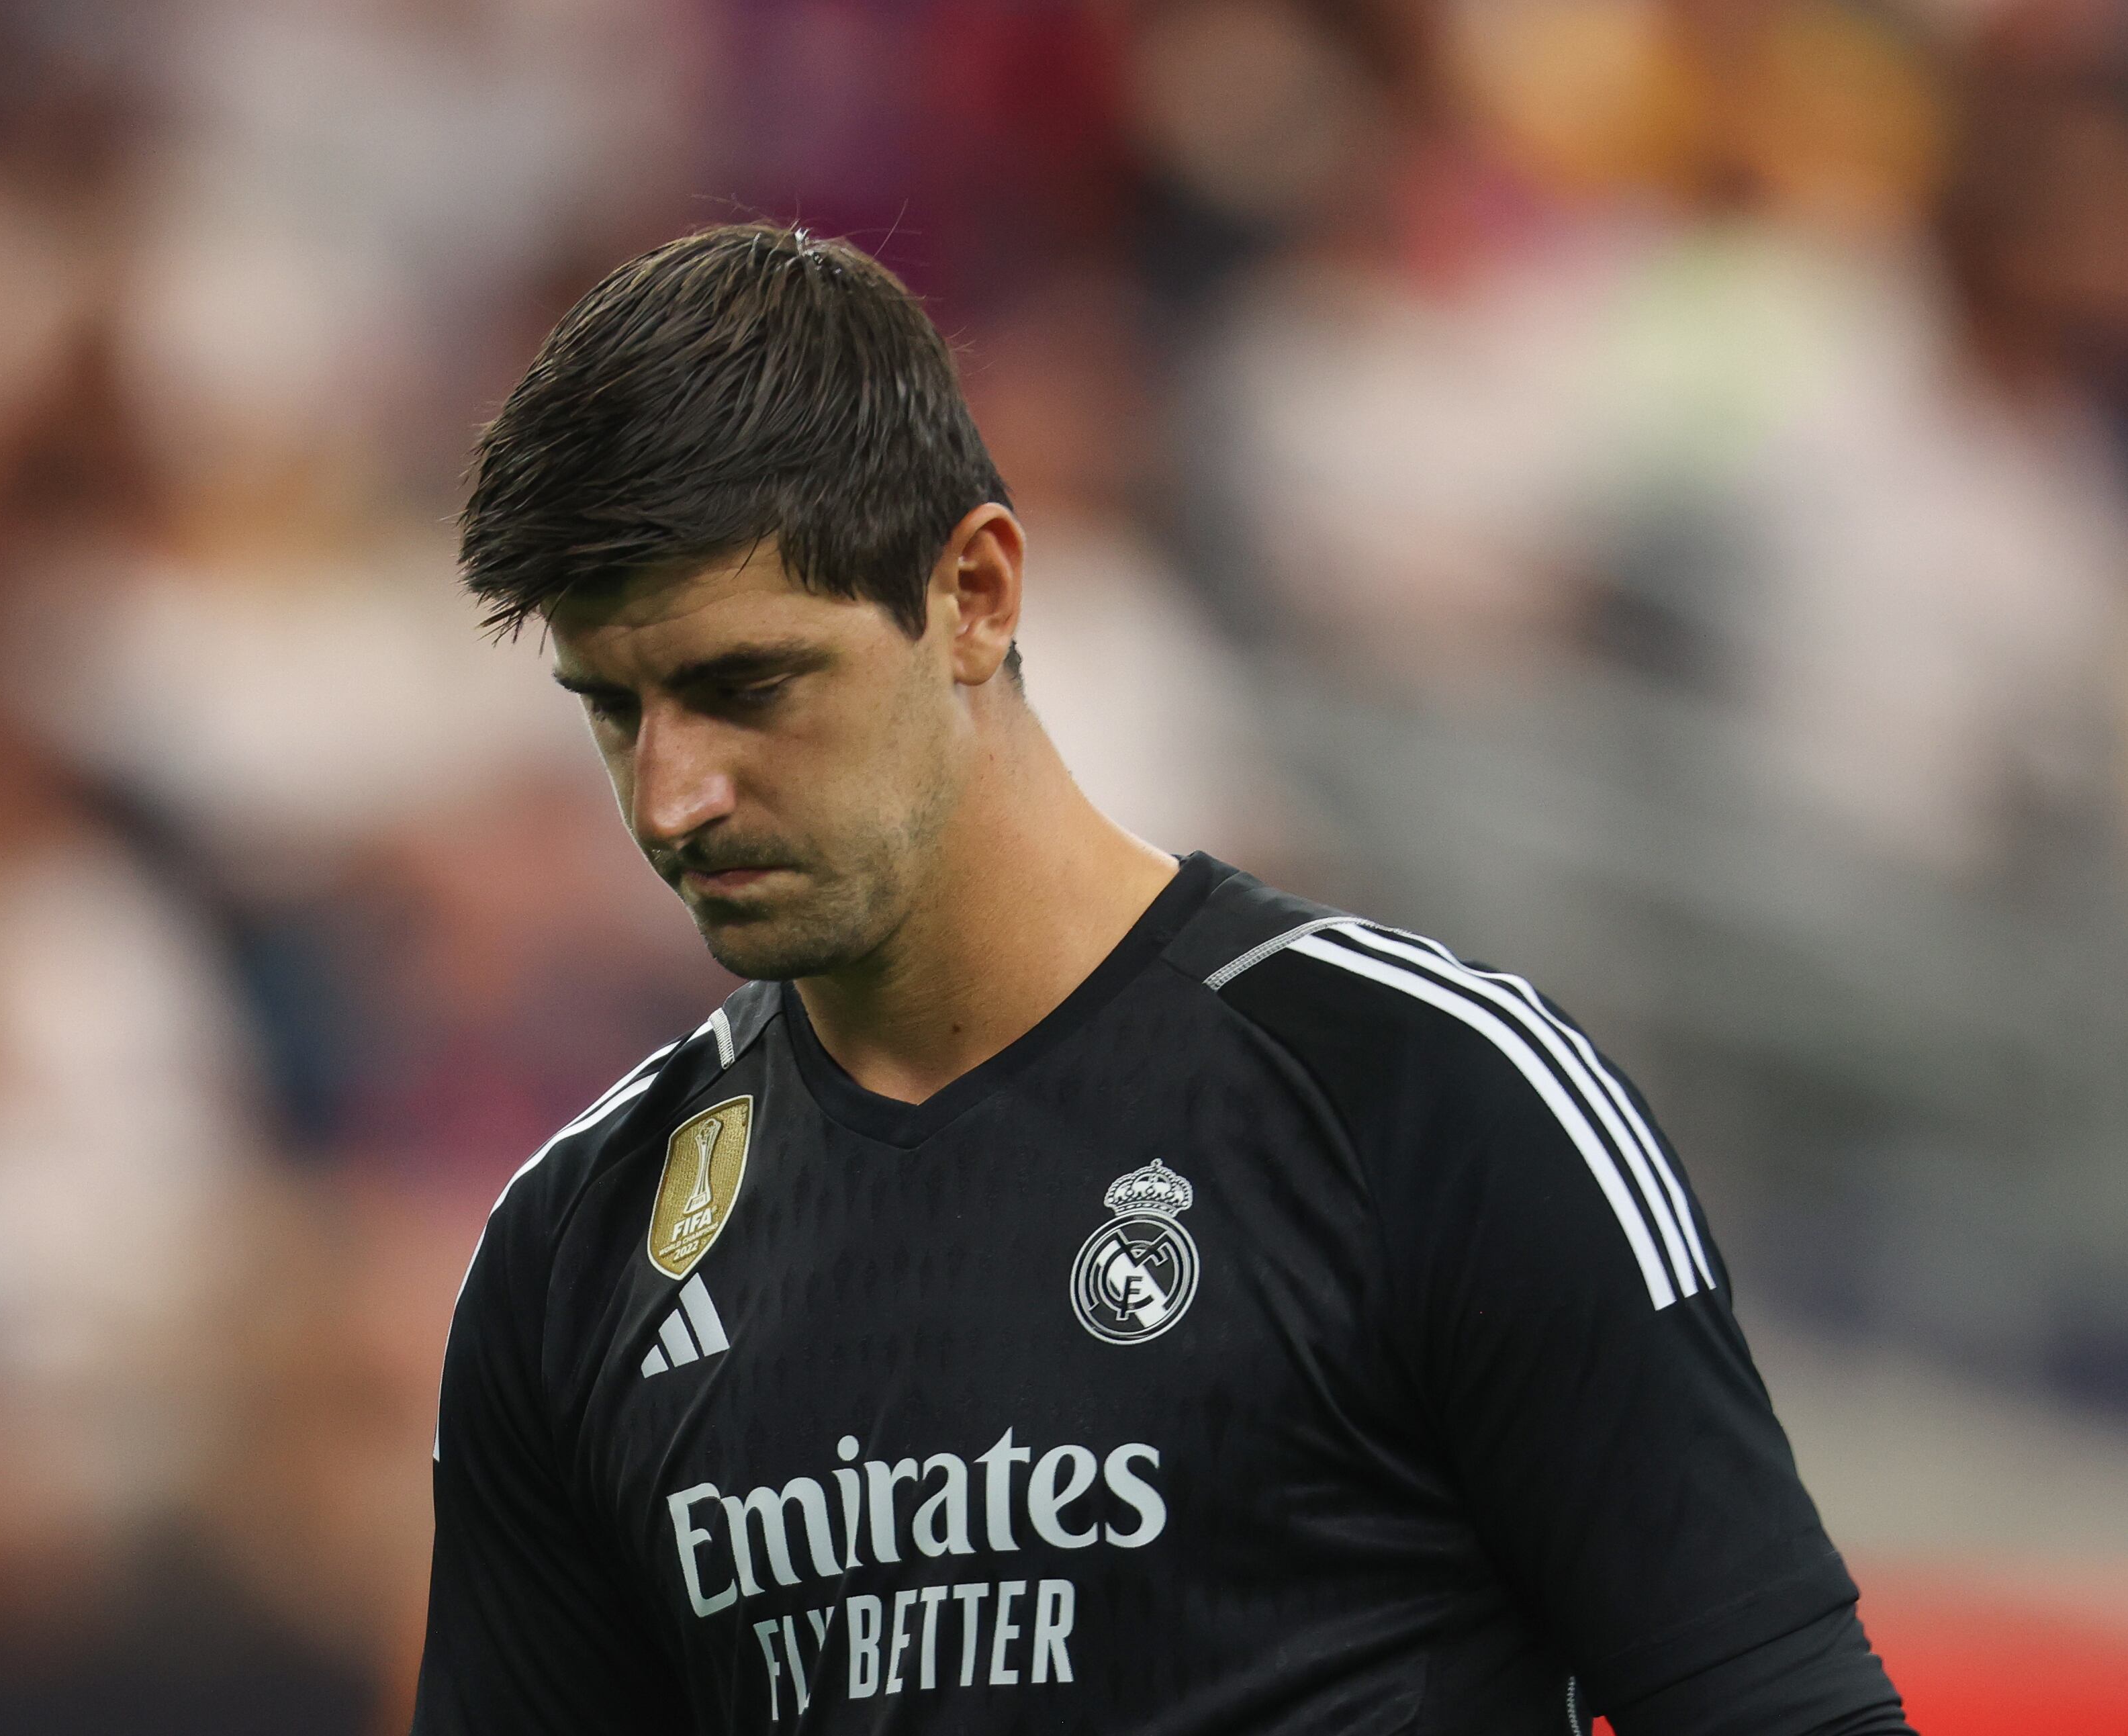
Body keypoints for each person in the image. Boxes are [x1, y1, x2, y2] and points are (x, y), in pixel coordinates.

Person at [412, 224, 1910, 1736]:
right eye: (613, 710)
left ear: (975, 593)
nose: (673, 798)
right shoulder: (576, 1248)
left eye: (747, 687)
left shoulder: (1428, 1099)